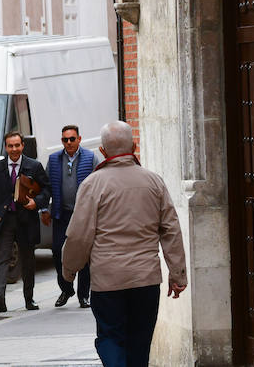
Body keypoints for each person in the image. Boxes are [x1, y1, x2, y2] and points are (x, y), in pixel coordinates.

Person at [60, 121, 187, 367]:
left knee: (110, 338)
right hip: (146, 279)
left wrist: (69, 269)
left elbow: (79, 235)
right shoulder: (154, 182)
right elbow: (170, 229)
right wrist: (177, 273)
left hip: (108, 280)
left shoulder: (92, 185)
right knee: (140, 343)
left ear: (103, 151)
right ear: (134, 146)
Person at [0, 130, 49, 313]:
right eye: (10, 146)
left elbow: (46, 189)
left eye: (17, 145)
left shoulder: (34, 166)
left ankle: (29, 298)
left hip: (26, 220)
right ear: (5, 147)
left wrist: (37, 203)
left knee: (28, 260)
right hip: (4, 220)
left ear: (22, 146)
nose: (14, 149)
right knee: (2, 257)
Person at [42, 124, 96, 307]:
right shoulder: (54, 159)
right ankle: (66, 289)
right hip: (61, 214)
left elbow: (98, 184)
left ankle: (83, 295)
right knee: (58, 251)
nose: (69, 143)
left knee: (85, 255)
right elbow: (46, 186)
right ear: (62, 141)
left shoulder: (90, 158)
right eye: (65, 139)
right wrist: (44, 209)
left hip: (83, 216)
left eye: (72, 139)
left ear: (79, 139)